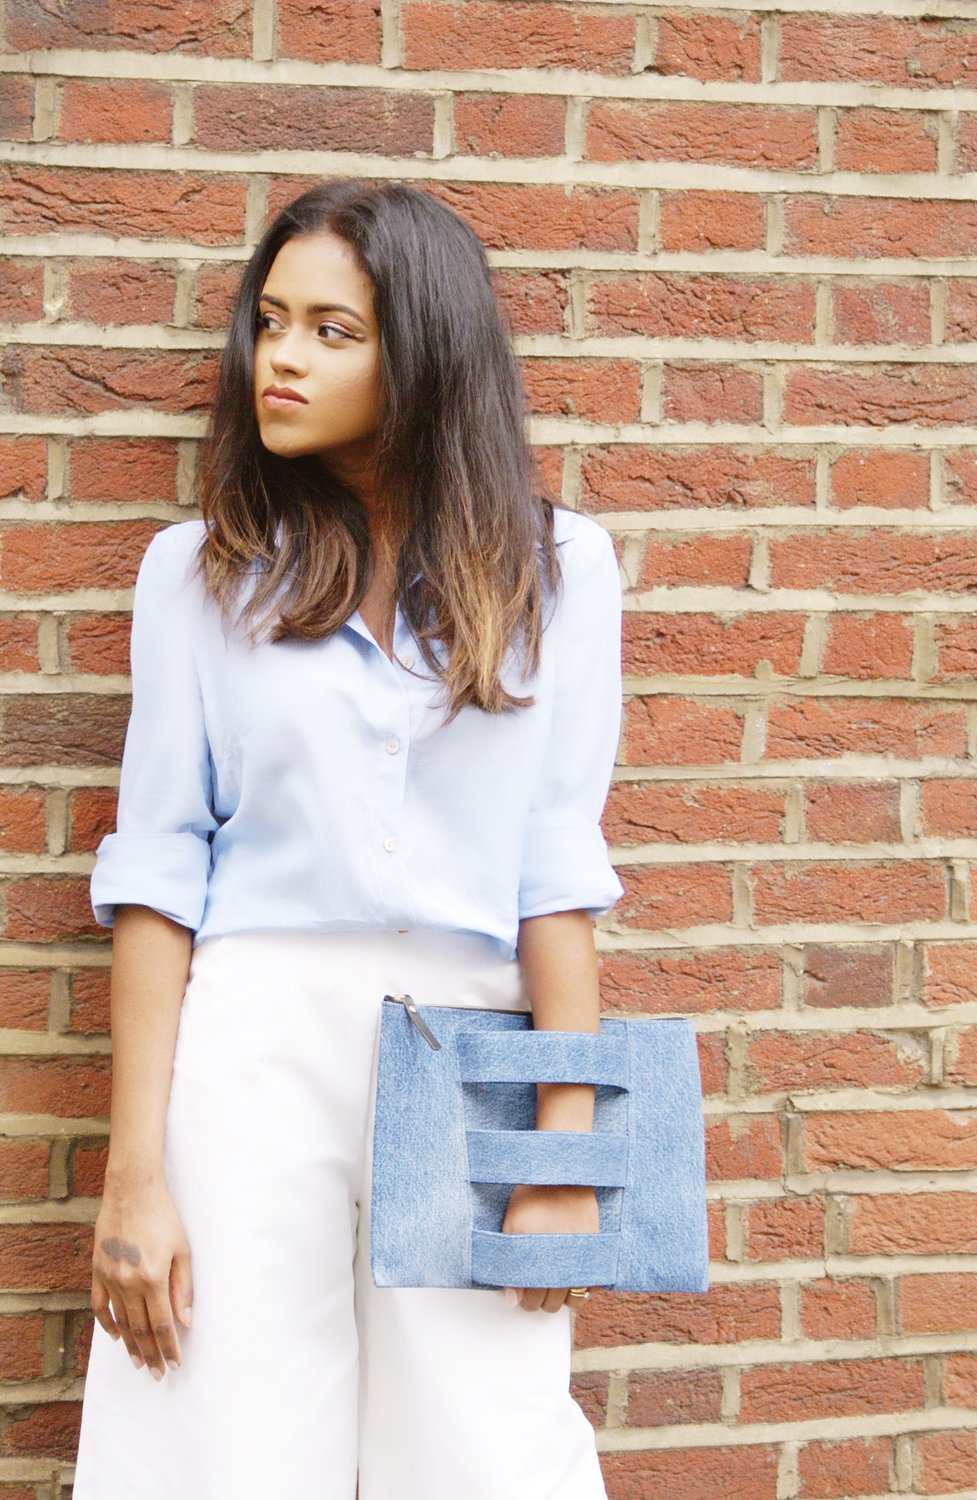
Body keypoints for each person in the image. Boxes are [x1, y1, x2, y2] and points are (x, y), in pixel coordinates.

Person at [71, 179, 625, 1500]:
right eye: (271, 322)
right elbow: (158, 872)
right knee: (224, 1443)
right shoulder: (199, 571)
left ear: (423, 352)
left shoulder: (561, 572)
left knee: (487, 1444)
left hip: (471, 1038)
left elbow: (557, 872)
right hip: (256, 1039)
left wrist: (566, 1149)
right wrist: (133, 1177)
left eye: (334, 329)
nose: (282, 358)